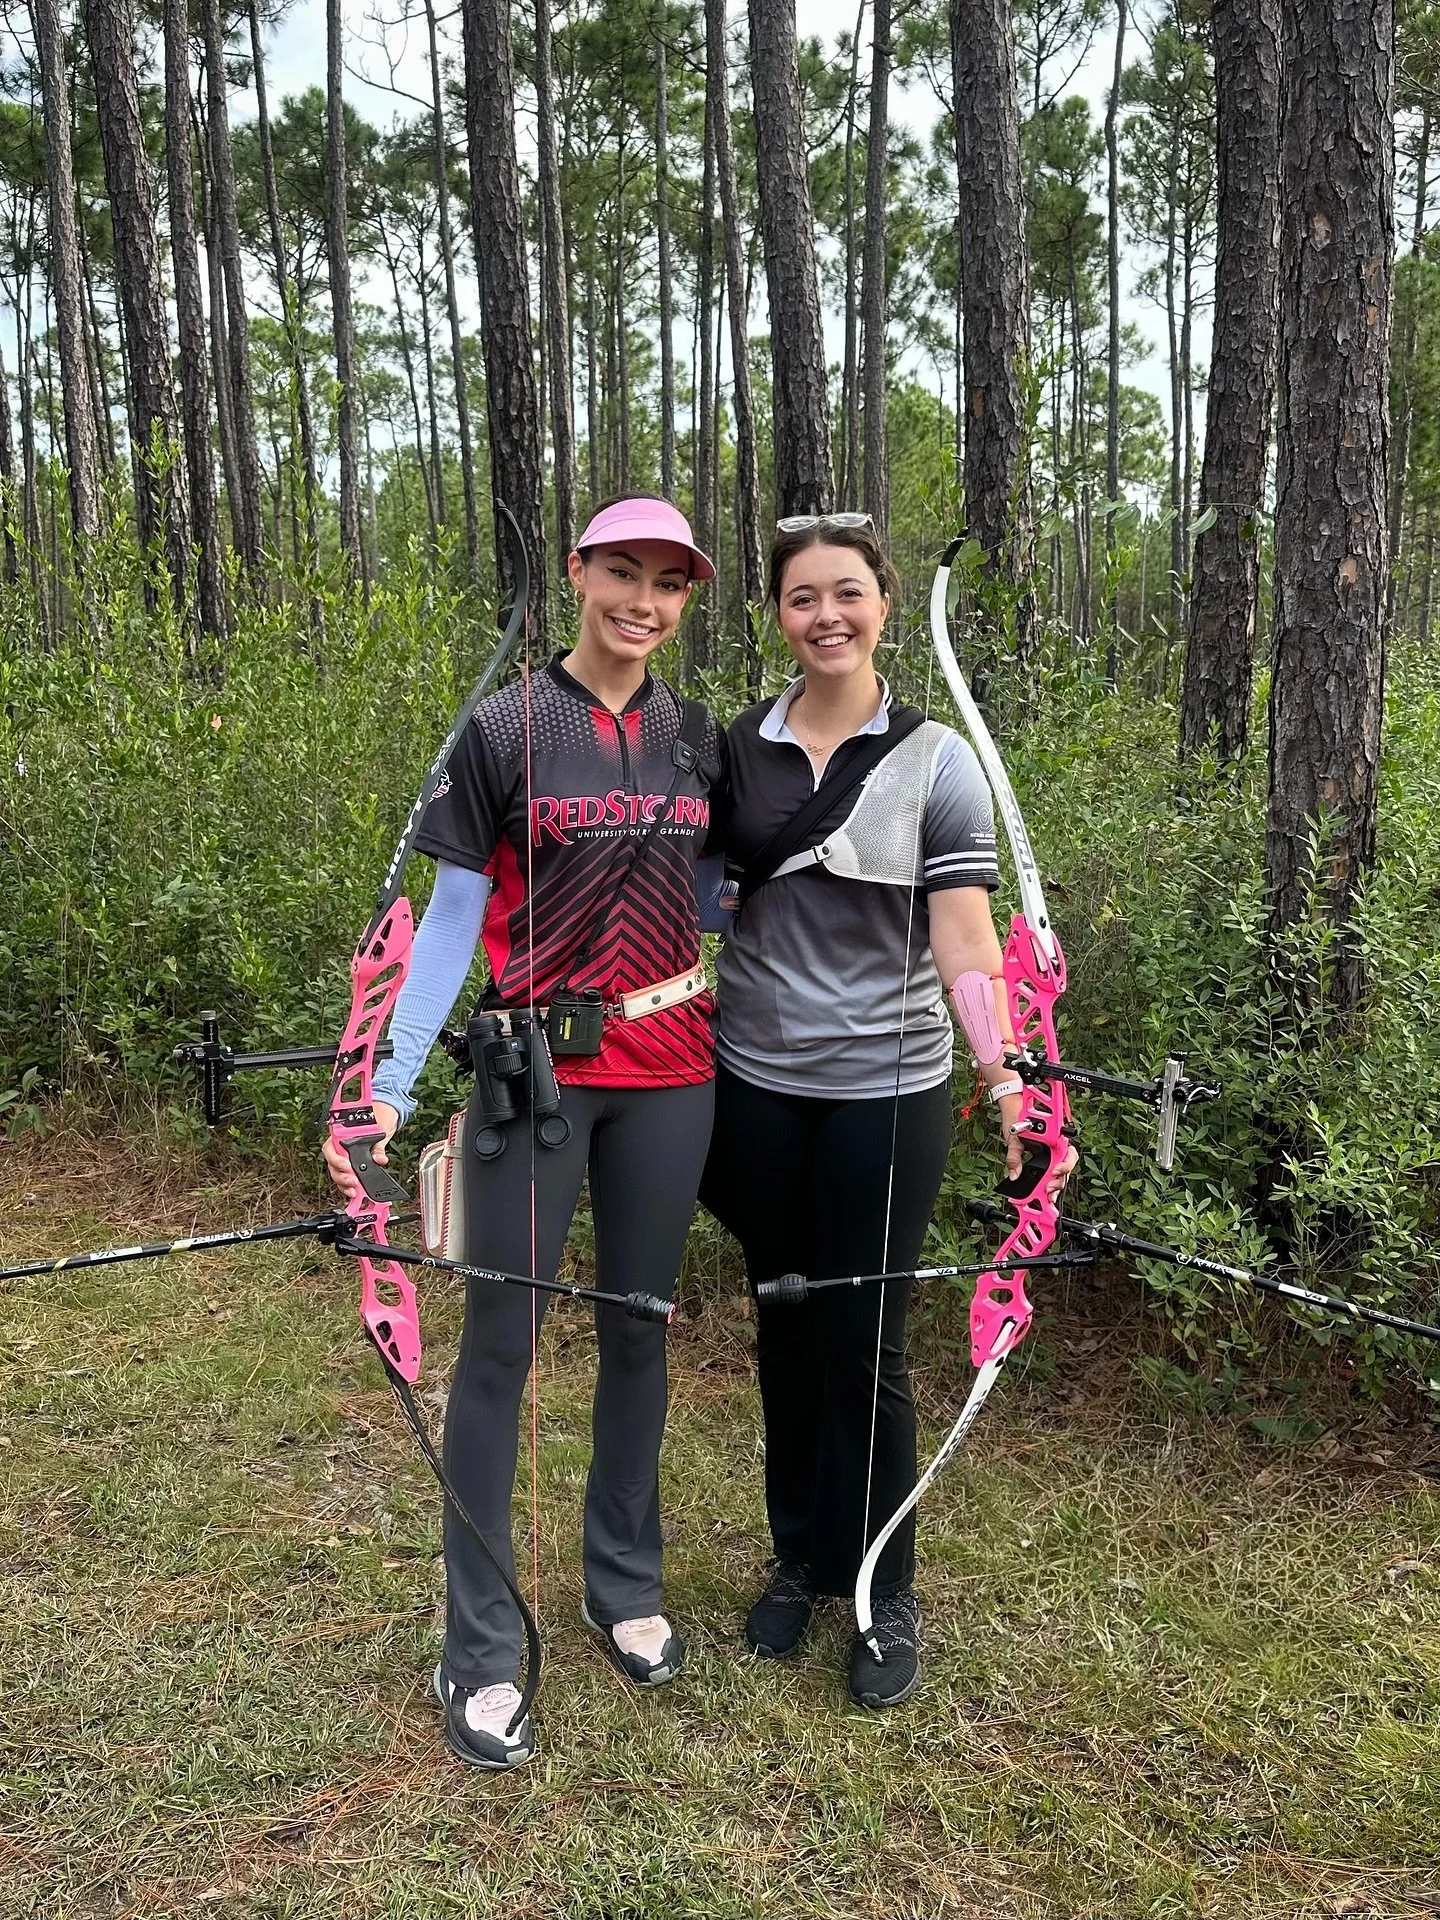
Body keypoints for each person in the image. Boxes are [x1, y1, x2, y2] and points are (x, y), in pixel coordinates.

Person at [325, 496, 724, 1769]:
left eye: (669, 582)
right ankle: (480, 1645)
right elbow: (450, 923)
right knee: (500, 1346)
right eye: (623, 572)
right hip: (535, 1073)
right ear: (578, 573)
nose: (644, 600)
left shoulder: (697, 737)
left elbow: (724, 891)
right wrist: (385, 1083)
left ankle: (623, 1584)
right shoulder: (504, 731)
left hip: (675, 1069)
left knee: (639, 1329)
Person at [701, 513, 1074, 1711]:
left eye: (847, 593)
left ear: (883, 603)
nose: (828, 616)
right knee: (785, 1324)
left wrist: (1004, 1075)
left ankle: (882, 1587)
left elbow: (964, 939)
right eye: (803, 597)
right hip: (757, 1087)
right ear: (777, 614)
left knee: (866, 1344)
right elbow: (692, 899)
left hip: (888, 1091)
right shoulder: (735, 752)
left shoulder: (937, 761)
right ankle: (800, 1561)